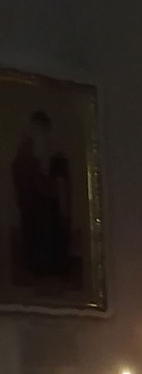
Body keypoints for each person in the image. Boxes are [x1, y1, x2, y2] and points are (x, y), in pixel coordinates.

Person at [11, 109, 78, 287]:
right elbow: (21, 172)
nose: (40, 130)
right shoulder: (25, 148)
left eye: (43, 127)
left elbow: (60, 175)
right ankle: (37, 267)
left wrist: (52, 183)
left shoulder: (54, 148)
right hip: (33, 201)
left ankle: (54, 267)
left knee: (51, 231)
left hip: (50, 201)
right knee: (36, 232)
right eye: (37, 126)